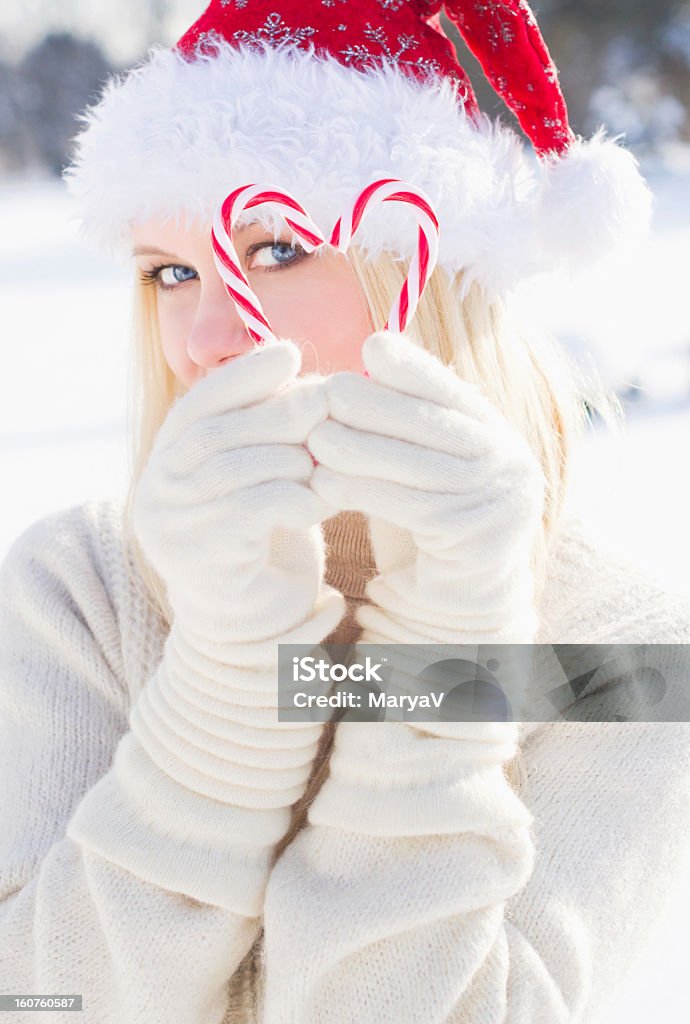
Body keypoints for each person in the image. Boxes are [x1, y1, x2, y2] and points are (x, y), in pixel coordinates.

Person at [1, 2, 689, 1022]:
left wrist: (451, 640)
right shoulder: (79, 589)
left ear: (433, 273)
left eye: (276, 251)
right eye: (171, 272)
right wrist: (226, 682)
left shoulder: (619, 648)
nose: (202, 337)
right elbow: (41, 1000)